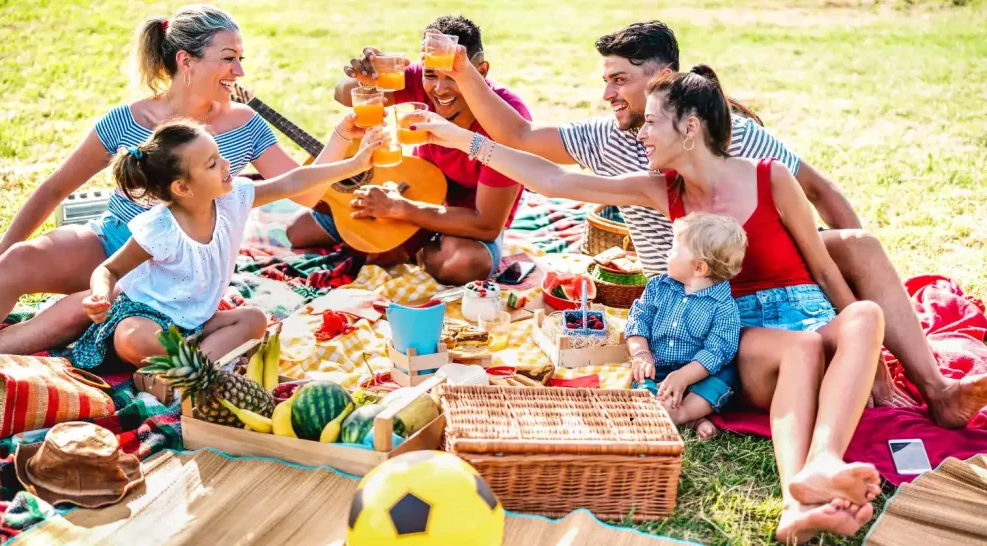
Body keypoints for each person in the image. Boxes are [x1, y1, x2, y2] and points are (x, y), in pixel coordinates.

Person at [411, 66, 888, 542]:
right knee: (802, 347)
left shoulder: (771, 176)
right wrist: (463, 140)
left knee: (865, 315)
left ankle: (823, 462)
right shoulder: (660, 189)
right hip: (759, 346)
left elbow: (824, 269)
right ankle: (797, 498)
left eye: (652, 122)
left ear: (691, 128)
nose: (641, 133)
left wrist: (870, 354)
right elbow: (553, 181)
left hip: (812, 318)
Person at [434, 20, 987, 427]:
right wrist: (463, 117)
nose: (607, 94)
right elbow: (535, 157)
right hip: (698, 283)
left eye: (619, 80)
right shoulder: (620, 149)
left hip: (771, 267)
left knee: (859, 248)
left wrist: (865, 324)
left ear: (670, 90)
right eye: (605, 80)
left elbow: (818, 193)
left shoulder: (733, 138)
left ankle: (934, 387)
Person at [0, 5, 329, 357]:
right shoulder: (128, 119)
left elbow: (305, 190)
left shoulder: (245, 124)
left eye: (240, 59)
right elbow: (55, 188)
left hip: (173, 277)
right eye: (228, 58)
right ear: (186, 60)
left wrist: (346, 137)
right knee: (19, 259)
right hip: (114, 242)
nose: (239, 72)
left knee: (75, 312)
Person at [72, 118, 385, 368]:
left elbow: (293, 181)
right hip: (149, 319)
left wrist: (353, 166)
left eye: (219, 154)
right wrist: (100, 294)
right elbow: (108, 271)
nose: (226, 165)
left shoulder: (234, 199)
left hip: (197, 324)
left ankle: (187, 375)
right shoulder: (160, 229)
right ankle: (205, 368)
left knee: (254, 319)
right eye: (211, 164)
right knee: (131, 338)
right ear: (182, 187)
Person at [285, 15, 531, 286]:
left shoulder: (506, 119)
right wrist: (365, 80)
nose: (439, 89)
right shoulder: (417, 79)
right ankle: (398, 243)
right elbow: (343, 95)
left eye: (452, 76)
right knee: (299, 231)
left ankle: (408, 249)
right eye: (431, 75)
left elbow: (487, 224)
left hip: (464, 222)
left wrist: (398, 209)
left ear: (481, 71)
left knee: (465, 264)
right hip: (414, 188)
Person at [627, 213, 746, 441]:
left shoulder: (724, 307)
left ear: (699, 267)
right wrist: (641, 354)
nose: (667, 253)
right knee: (643, 377)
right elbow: (638, 320)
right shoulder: (658, 287)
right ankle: (662, 405)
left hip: (699, 373)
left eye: (673, 250)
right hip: (658, 365)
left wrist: (684, 376)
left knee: (725, 377)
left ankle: (683, 413)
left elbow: (716, 352)